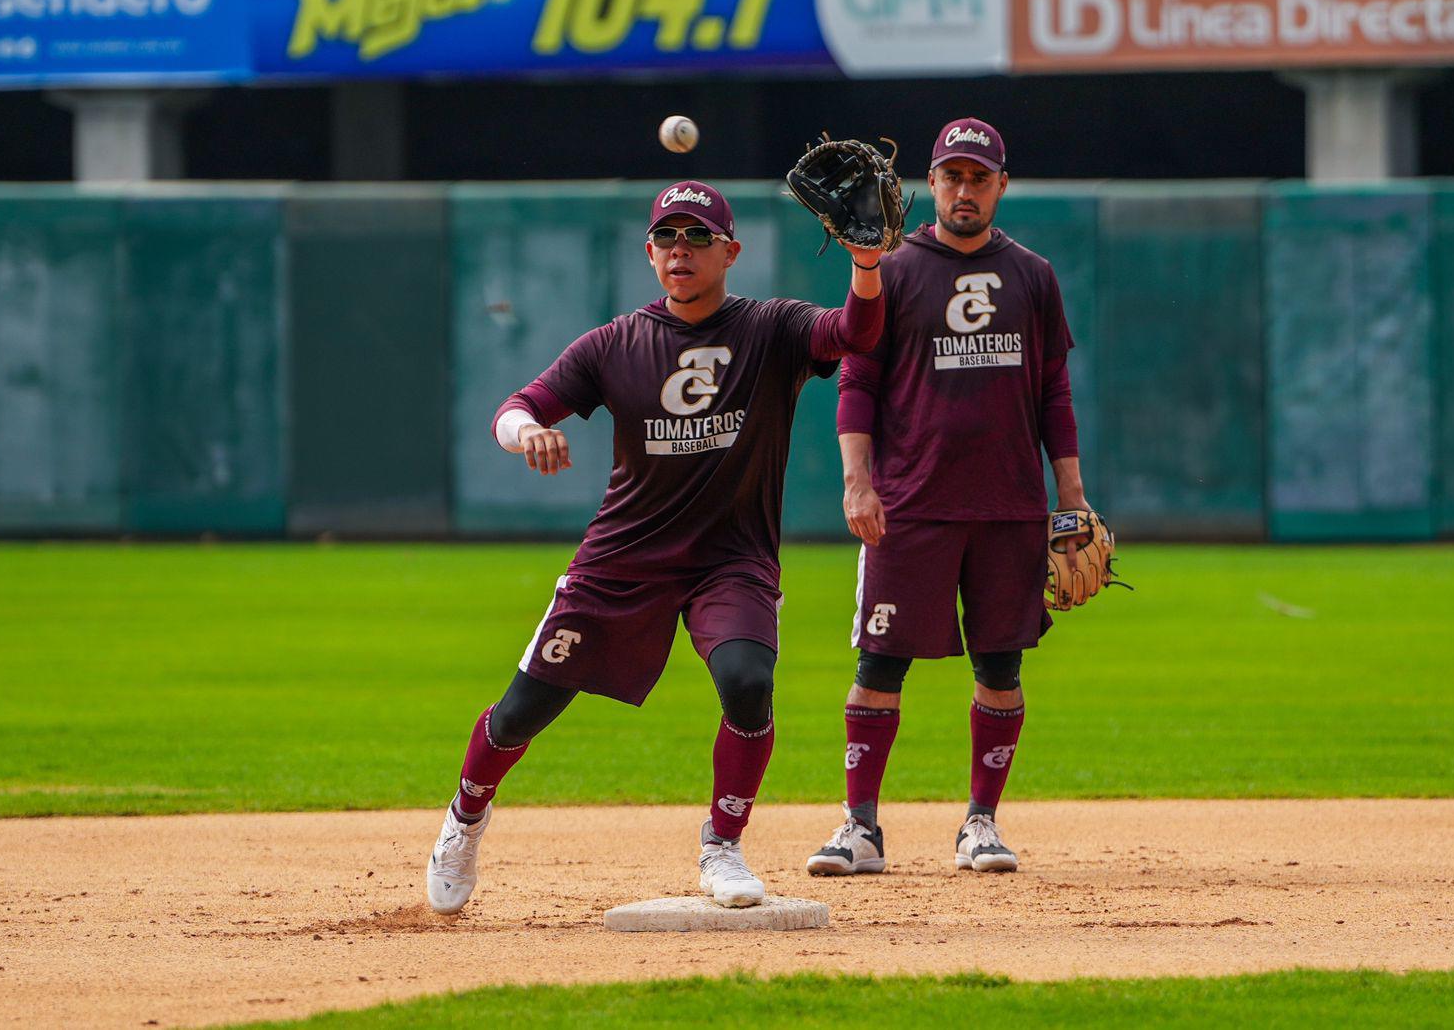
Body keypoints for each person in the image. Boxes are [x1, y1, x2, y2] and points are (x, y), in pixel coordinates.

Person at [426, 180, 884, 912]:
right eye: (668, 237)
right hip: (622, 561)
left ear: (731, 251)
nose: (681, 250)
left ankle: (723, 845)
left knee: (747, 683)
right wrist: (528, 433)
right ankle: (464, 821)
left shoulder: (772, 328)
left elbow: (856, 335)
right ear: (648, 253)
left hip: (729, 560)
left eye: (699, 237)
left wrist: (866, 264)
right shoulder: (615, 343)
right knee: (519, 714)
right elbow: (514, 409)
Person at [804, 119, 1087, 876]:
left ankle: (981, 825)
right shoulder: (892, 270)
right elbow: (856, 382)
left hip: (1008, 506)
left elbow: (1054, 393)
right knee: (880, 664)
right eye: (952, 176)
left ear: (1001, 185)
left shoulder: (1033, 274)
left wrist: (1072, 498)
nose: (965, 190)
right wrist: (857, 482)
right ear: (930, 184)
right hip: (911, 505)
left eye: (980, 177)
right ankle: (859, 827)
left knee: (1001, 668)